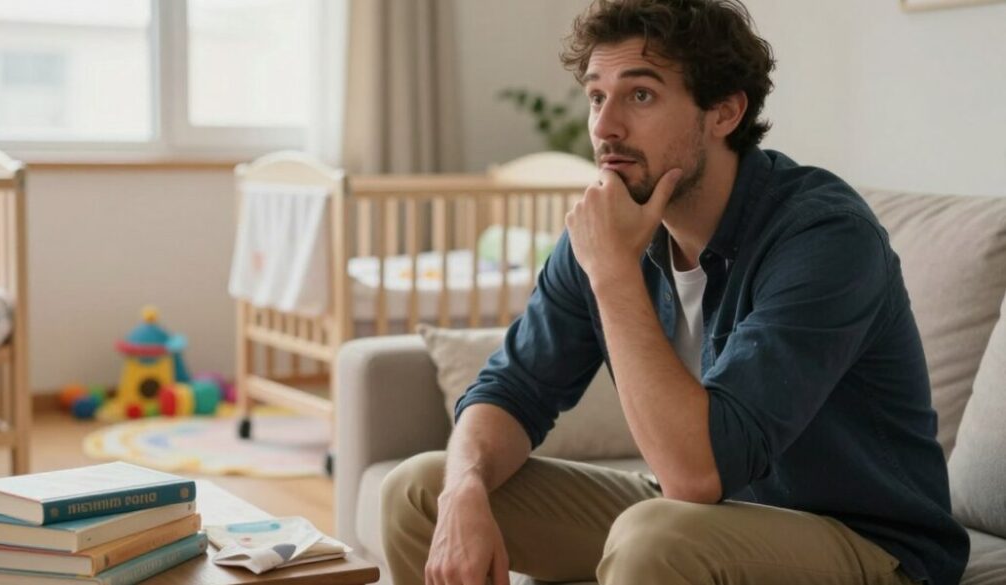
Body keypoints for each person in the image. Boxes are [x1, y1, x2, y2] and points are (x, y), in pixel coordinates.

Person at [379, 1, 971, 584]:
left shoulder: (824, 236)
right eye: (595, 96)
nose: (604, 126)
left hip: (869, 544)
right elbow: (512, 389)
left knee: (655, 539)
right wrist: (463, 491)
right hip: (704, 518)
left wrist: (612, 276)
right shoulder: (611, 226)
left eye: (640, 95)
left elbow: (696, 473)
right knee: (421, 491)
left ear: (724, 112)